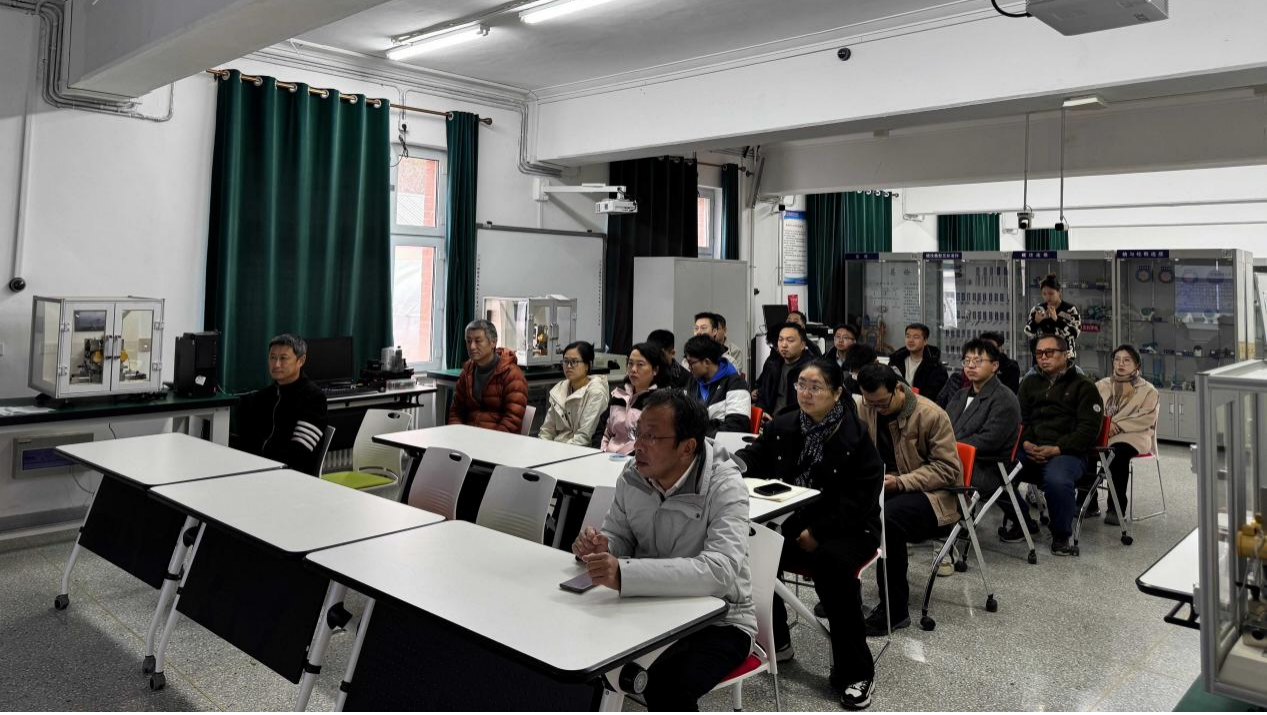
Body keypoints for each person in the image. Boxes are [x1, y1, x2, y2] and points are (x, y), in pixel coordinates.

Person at [573, 389, 754, 712]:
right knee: (579, 646)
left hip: (720, 618)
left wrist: (624, 574)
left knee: (667, 684)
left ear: (687, 447)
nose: (638, 445)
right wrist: (603, 546)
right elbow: (620, 535)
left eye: (652, 437)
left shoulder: (724, 485)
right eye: (637, 433)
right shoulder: (634, 475)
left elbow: (719, 572)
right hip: (650, 604)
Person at [735, 358, 883, 710]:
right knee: (752, 547)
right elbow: (756, 456)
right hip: (793, 519)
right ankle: (776, 641)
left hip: (849, 529)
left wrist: (818, 531)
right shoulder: (785, 423)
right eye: (801, 384)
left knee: (833, 567)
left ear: (837, 392)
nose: (806, 393)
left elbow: (861, 498)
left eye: (816, 387)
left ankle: (857, 671)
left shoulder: (855, 435)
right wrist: (733, 464)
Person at [856, 365, 962, 635]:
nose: (876, 409)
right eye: (870, 403)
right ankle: (844, 593)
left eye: (882, 403)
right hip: (884, 488)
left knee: (888, 519)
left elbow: (948, 469)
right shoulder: (864, 407)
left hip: (934, 496)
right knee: (843, 506)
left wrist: (901, 481)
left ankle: (894, 610)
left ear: (898, 390)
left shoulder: (931, 415)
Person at [1002, 334, 1104, 556]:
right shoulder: (1029, 383)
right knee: (996, 470)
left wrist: (1058, 448)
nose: (1043, 357)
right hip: (1031, 449)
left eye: (1050, 352)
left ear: (1066, 354)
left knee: (1057, 480)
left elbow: (1088, 430)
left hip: (1068, 453)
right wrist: (1026, 442)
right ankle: (1023, 522)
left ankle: (1061, 535)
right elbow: (1020, 419)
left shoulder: (1084, 386)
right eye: (1039, 353)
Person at [232, 333, 329, 474]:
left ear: (301, 360)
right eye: (272, 358)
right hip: (257, 470)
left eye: (283, 358)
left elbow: (299, 453)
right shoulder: (261, 397)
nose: (276, 364)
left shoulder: (314, 398)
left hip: (291, 475)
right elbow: (247, 443)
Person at [942, 339, 1022, 504]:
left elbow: (988, 441)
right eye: (967, 361)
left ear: (994, 366)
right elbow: (943, 427)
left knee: (926, 476)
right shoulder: (960, 395)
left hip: (984, 467)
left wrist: (945, 446)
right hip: (953, 460)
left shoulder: (1004, 399)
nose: (971, 366)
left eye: (978, 361)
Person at [1092, 345, 1159, 525]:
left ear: (1137, 364)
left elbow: (1146, 417)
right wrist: (1105, 425)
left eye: (1127, 360)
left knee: (1117, 452)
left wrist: (1117, 425)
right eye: (1117, 360)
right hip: (1104, 432)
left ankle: (1116, 508)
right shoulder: (1101, 385)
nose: (1121, 364)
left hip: (1135, 435)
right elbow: (1091, 410)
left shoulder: (1149, 390)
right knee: (1083, 446)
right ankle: (1088, 503)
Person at [447, 319, 529, 433]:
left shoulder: (512, 375)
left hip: (499, 439)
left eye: (478, 341)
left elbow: (512, 420)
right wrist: (457, 434)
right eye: (468, 341)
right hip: (467, 437)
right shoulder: (467, 373)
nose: (472, 346)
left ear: (493, 342)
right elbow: (455, 412)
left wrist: (489, 441)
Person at [593, 342, 670, 454]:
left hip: (638, 459)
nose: (633, 369)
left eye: (640, 365)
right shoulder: (619, 394)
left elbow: (654, 442)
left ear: (655, 370)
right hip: (607, 456)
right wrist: (601, 453)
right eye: (630, 364)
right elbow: (601, 430)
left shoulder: (660, 401)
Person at [538, 340, 610, 446]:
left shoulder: (596, 393)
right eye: (565, 361)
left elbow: (584, 438)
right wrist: (542, 447)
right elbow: (547, 430)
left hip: (580, 451)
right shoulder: (560, 389)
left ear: (588, 365)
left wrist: (556, 451)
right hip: (557, 448)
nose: (569, 366)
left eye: (574, 362)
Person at [683, 335, 751, 437]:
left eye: (691, 363)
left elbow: (736, 427)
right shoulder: (693, 382)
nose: (689, 367)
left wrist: (698, 435)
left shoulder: (736, 384)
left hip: (722, 444)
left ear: (706, 362)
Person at [753, 322, 815, 421]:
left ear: (802, 345)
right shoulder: (772, 365)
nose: (784, 345)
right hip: (770, 420)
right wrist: (762, 412)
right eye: (780, 339)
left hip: (796, 423)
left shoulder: (812, 369)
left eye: (790, 340)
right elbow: (762, 396)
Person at [1024, 274, 1082, 363]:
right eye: (1044, 294)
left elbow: (1075, 333)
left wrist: (1057, 320)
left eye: (1051, 294)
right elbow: (1028, 332)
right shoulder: (1038, 309)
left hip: (1064, 357)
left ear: (1059, 292)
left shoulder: (1070, 309)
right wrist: (1036, 322)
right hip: (1042, 357)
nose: (1047, 297)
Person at [887, 323, 949, 402]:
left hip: (921, 406)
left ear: (925, 341)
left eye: (916, 337)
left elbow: (932, 397)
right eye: (908, 336)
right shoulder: (896, 361)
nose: (910, 340)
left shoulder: (936, 368)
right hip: (895, 404)